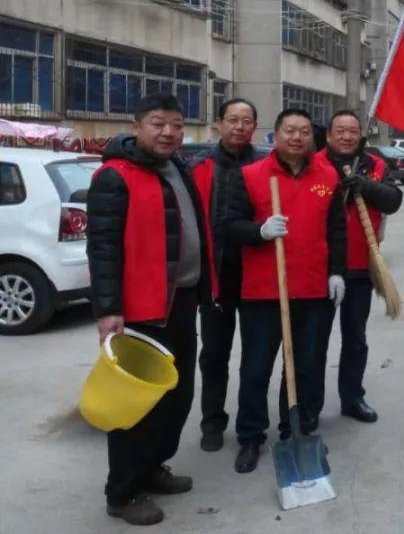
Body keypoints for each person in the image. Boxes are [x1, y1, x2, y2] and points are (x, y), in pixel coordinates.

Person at [87, 93, 212, 526]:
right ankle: (122, 492)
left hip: (181, 301)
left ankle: (153, 466)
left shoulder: (177, 167)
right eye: (158, 123)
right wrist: (107, 310)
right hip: (140, 310)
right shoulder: (113, 176)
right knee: (137, 405)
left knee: (177, 397)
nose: (169, 132)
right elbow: (101, 248)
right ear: (136, 125)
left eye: (177, 124)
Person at [224, 108, 346, 474]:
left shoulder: (329, 175)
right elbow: (228, 225)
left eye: (304, 132)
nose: (297, 137)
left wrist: (336, 273)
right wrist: (258, 231)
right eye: (289, 130)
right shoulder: (249, 176)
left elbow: (337, 231)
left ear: (313, 137)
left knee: (307, 366)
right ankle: (250, 436)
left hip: (313, 290)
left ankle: (296, 427)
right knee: (256, 368)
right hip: (264, 292)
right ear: (274, 135)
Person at [314, 110, 403, 424]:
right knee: (315, 341)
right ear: (328, 135)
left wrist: (366, 186)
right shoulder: (314, 165)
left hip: (362, 268)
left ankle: (352, 398)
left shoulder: (375, 165)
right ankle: (310, 407)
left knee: (355, 338)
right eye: (340, 131)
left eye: (352, 131)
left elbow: (393, 200)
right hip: (321, 270)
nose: (347, 136)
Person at [190, 98, 265, 453]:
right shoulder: (200, 166)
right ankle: (212, 421)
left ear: (255, 126)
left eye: (246, 121)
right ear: (218, 123)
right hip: (216, 277)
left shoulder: (266, 164)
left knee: (256, 355)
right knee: (215, 353)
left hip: (257, 276)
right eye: (232, 120)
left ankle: (252, 425)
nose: (239, 127)